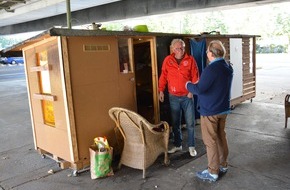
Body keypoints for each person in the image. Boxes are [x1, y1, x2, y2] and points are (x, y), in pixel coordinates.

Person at [185, 40, 233, 182]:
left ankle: (213, 171)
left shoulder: (211, 69)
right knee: (220, 137)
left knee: (210, 141)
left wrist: (188, 85)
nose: (206, 53)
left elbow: (199, 89)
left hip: (211, 110)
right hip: (223, 109)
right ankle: (223, 164)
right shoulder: (227, 66)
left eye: (207, 51)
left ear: (211, 53)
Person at [158, 39, 199, 157]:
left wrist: (191, 92)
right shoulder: (168, 60)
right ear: (172, 49)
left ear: (184, 48)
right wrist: (161, 90)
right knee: (175, 123)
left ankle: (191, 146)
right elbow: (163, 76)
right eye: (177, 48)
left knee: (190, 123)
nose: (180, 50)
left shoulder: (190, 60)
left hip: (187, 96)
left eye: (181, 48)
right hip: (173, 96)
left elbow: (196, 77)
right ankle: (177, 145)